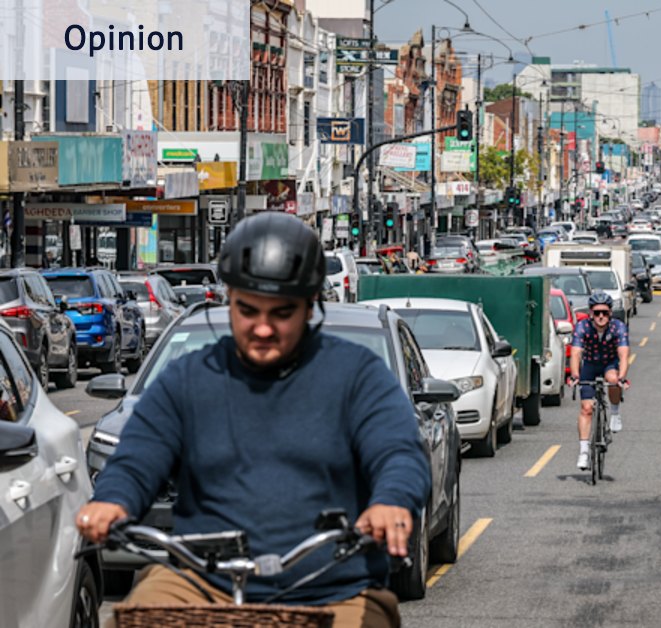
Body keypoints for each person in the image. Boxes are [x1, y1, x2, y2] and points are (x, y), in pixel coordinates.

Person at [75, 213, 426, 628]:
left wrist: (391, 502)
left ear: (311, 305)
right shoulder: (187, 379)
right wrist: (112, 500)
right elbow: (138, 458)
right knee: (139, 616)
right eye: (247, 310)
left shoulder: (359, 375)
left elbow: (398, 452)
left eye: (281, 313)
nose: (262, 328)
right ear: (229, 300)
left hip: (332, 588)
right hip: (205, 583)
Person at [568, 291, 631, 470]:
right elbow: (575, 353)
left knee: (613, 379)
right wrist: (574, 375)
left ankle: (615, 413)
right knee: (586, 409)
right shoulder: (582, 327)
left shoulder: (618, 327)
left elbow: (623, 355)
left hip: (609, 363)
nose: (601, 316)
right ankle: (584, 452)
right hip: (589, 364)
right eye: (597, 313)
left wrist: (622, 377)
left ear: (610, 313)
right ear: (591, 313)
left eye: (604, 312)